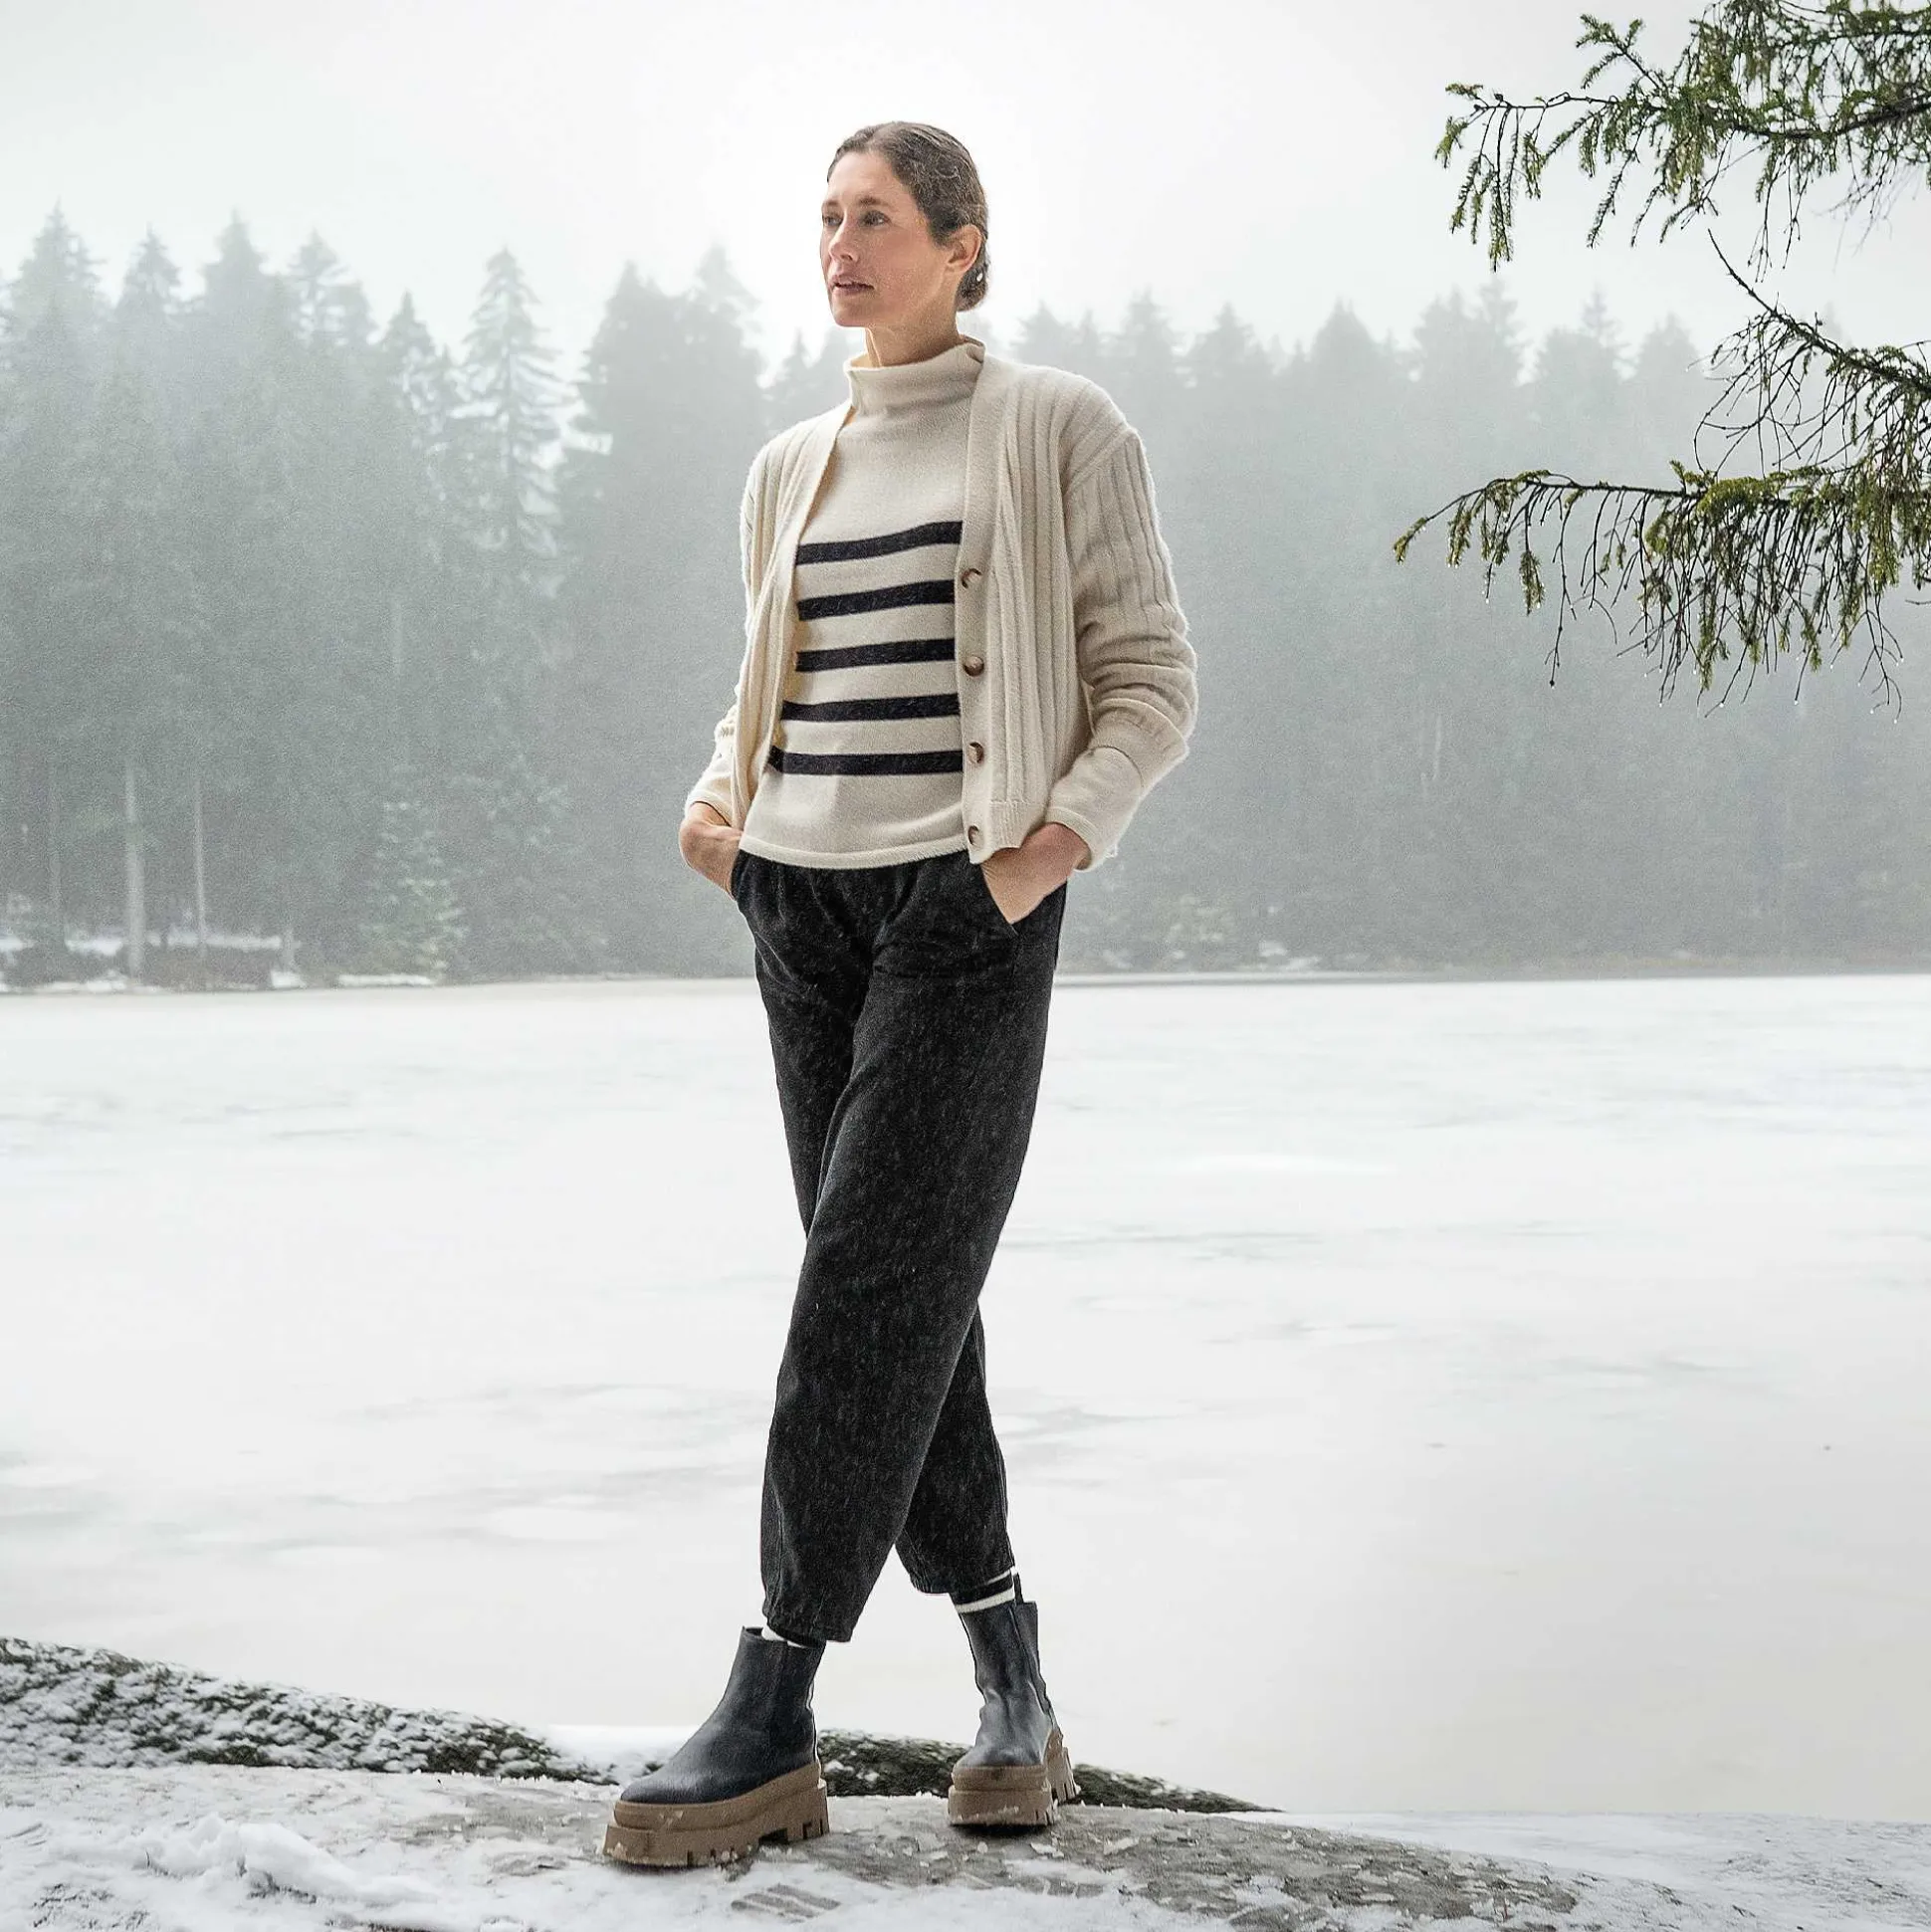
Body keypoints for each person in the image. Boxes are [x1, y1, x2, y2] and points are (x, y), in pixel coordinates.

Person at [602, 118, 1197, 1869]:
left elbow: (1151, 683)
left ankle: (774, 1698)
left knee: (865, 1284)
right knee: (903, 1290)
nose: (840, 245)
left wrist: (1036, 858)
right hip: (796, 904)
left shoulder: (1062, 427)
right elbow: (768, 681)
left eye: (874, 217)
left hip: (965, 906)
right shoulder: (789, 465)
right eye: (825, 218)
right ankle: (1014, 1683)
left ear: (962, 243)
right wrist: (719, 823)